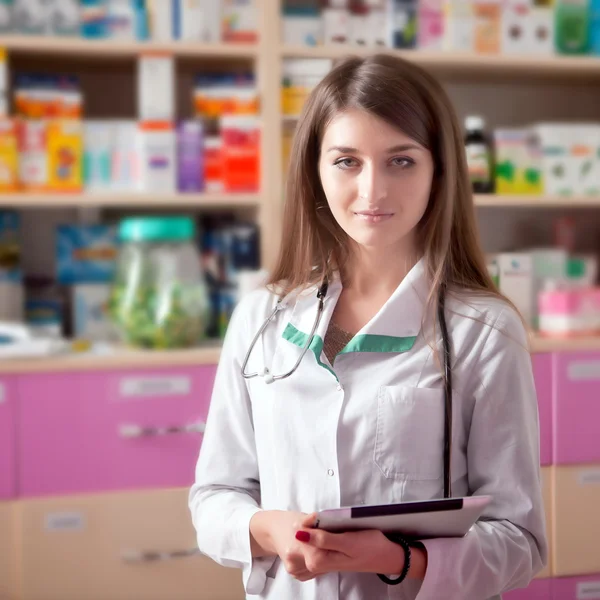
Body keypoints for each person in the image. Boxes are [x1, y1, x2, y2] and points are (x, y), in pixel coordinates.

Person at [189, 53, 547, 599]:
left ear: (439, 172)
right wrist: (268, 529)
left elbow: (520, 543)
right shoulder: (261, 318)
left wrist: (397, 559)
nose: (372, 191)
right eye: (347, 161)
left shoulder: (484, 332)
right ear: (315, 169)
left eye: (401, 161)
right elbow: (215, 497)